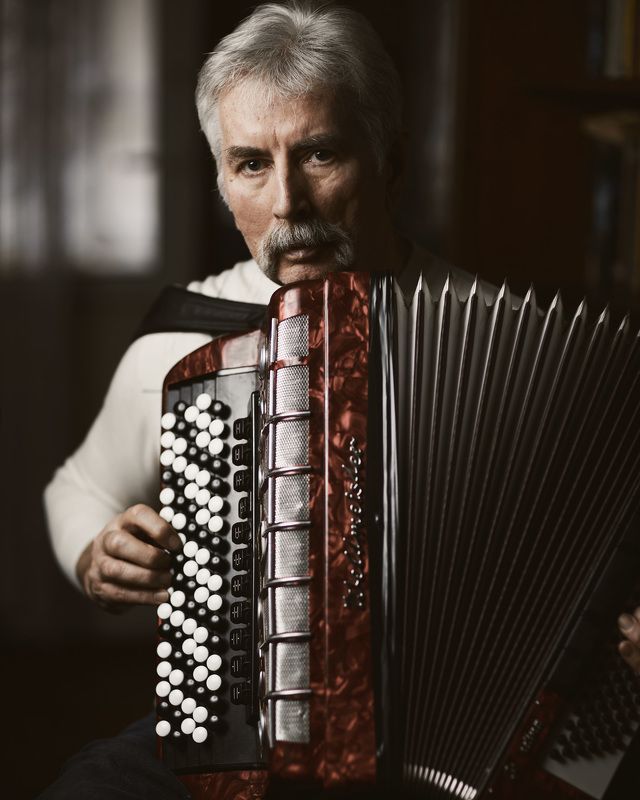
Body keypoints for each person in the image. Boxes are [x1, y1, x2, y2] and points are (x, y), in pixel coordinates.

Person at [41, 2, 640, 798]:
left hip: (483, 753)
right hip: (237, 733)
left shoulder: (522, 347)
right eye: (250, 164)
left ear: (390, 161)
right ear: (222, 183)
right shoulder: (184, 342)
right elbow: (78, 487)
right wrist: (96, 553)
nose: (287, 202)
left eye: (320, 153)